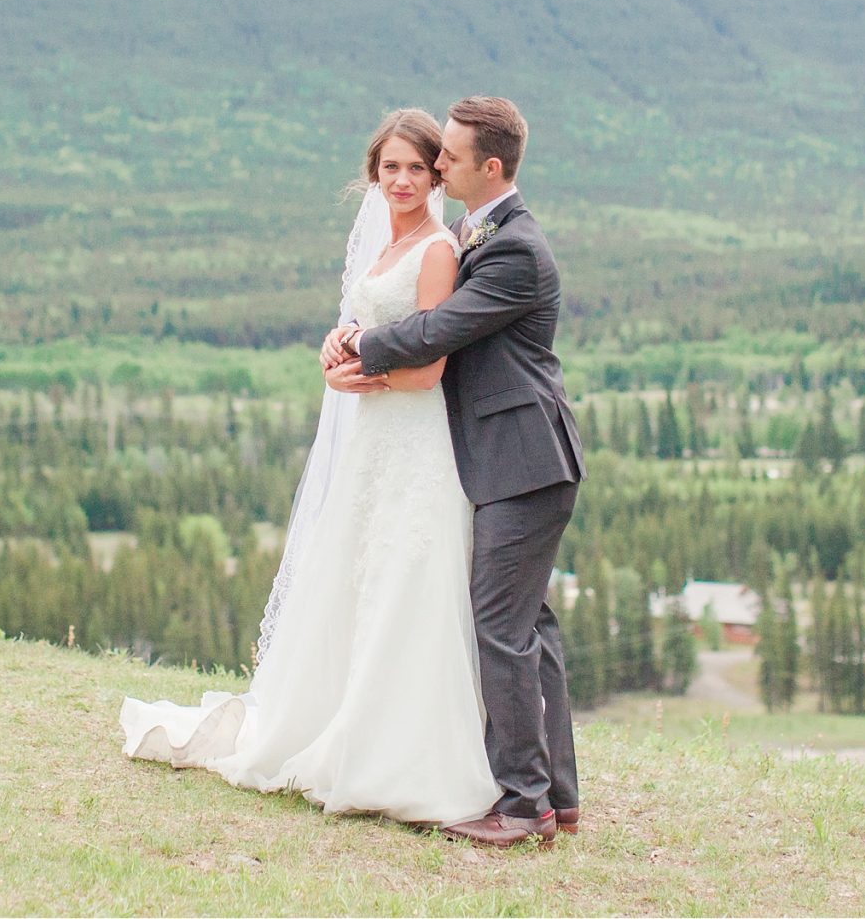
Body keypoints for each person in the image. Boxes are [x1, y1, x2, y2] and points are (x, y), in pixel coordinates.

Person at [119, 108, 498, 827]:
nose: (404, 179)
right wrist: (338, 357)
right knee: (353, 584)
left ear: (438, 173)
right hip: (371, 443)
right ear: (372, 175)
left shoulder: (438, 252)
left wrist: (363, 379)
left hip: (415, 444)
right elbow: (369, 333)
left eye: (418, 167)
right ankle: (334, 726)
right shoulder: (383, 251)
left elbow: (428, 371)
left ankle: (398, 756)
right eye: (391, 167)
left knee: (407, 588)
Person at [324, 95, 585, 848]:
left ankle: (523, 806)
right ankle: (556, 797)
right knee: (529, 626)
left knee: (501, 628)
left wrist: (357, 347)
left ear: (489, 166)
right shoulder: (485, 232)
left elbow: (442, 329)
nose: (438, 167)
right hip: (509, 459)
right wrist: (347, 341)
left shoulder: (515, 251)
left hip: (523, 462)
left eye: (449, 158)